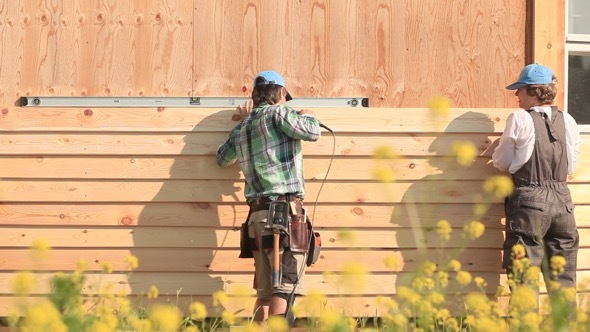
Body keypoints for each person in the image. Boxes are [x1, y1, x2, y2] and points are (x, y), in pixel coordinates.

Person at [216, 70, 322, 323]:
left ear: (255, 96)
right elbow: (312, 132)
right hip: (285, 215)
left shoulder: (242, 128)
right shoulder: (279, 113)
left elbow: (222, 159)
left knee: (265, 292)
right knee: (284, 288)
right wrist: (309, 116)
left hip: (257, 218)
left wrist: (243, 123)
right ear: (282, 93)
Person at [492, 63, 581, 291]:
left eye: (520, 89)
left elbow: (502, 163)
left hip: (530, 201)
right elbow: (571, 165)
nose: (516, 94)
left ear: (532, 90)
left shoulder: (520, 118)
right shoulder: (568, 120)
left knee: (524, 277)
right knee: (564, 280)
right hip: (564, 203)